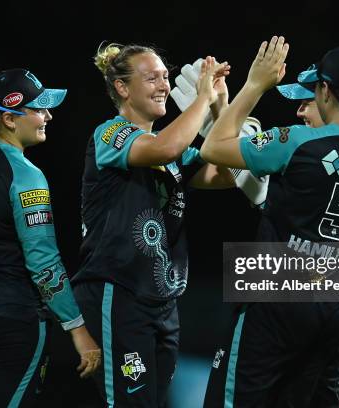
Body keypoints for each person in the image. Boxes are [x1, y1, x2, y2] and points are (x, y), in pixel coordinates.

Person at [200, 37, 339, 407]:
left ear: (326, 91)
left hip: (280, 302)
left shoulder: (299, 142)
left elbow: (212, 148)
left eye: (315, 88)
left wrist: (254, 84)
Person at [70, 43, 234, 407]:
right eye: (151, 78)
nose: (163, 84)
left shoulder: (175, 148)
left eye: (165, 76)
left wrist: (221, 105)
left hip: (163, 303)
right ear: (122, 88)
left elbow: (228, 174)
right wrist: (201, 100)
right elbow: (163, 148)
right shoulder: (110, 135)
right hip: (118, 293)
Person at [0, 68, 101, 408]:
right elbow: (43, 262)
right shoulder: (26, 174)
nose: (48, 116)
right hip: (8, 319)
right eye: (39, 109)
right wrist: (78, 330)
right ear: (10, 119)